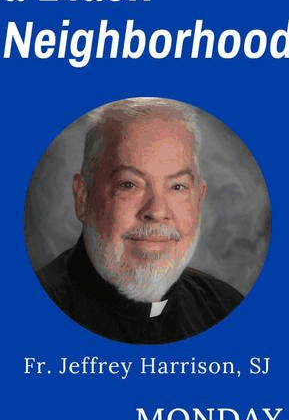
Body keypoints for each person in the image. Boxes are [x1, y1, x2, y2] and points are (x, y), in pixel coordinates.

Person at [37, 98, 244, 343]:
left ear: (199, 199)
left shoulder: (225, 308)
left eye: (177, 187)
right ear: (83, 198)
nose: (157, 211)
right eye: (129, 184)